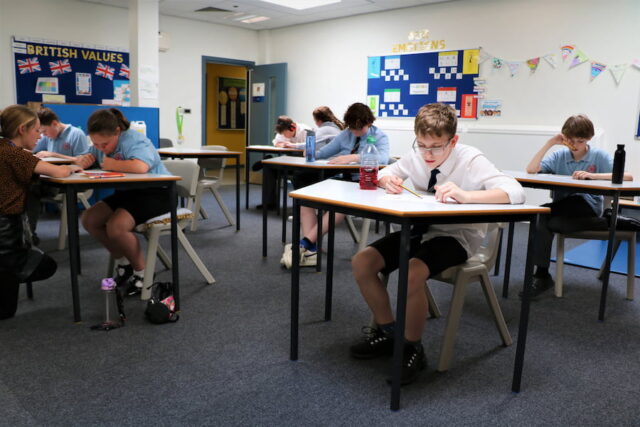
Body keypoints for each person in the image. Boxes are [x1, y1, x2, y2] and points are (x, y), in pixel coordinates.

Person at [349, 103, 525, 385]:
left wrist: (467, 196)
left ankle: (412, 348)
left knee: (412, 271)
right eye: (422, 145)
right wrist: (387, 180)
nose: (428, 154)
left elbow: (515, 192)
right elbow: (384, 172)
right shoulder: (417, 154)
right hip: (419, 231)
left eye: (436, 147)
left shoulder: (471, 159)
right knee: (363, 262)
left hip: (457, 237)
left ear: (453, 141)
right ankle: (388, 333)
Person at [523, 114, 633, 298]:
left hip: (586, 206)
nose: (575, 145)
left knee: (549, 210)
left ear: (589, 138)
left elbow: (627, 176)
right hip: (564, 210)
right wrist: (550, 143)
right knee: (548, 220)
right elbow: (531, 169)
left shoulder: (598, 156)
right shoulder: (560, 155)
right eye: (571, 140)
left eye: (580, 141)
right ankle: (542, 274)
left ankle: (541, 275)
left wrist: (593, 176)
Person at [75, 108, 172, 296]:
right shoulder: (101, 142)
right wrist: (82, 160)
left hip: (157, 193)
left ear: (117, 132)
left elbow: (141, 167)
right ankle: (124, 264)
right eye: (96, 144)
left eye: (105, 144)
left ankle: (142, 274)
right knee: (89, 219)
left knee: (116, 227)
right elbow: (86, 157)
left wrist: (112, 164)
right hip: (129, 194)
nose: (101, 148)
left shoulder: (134, 140)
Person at [281, 102, 389, 269]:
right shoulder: (346, 134)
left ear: (369, 122)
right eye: (352, 128)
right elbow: (326, 152)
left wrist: (354, 157)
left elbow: (383, 159)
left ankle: (306, 244)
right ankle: (311, 250)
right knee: (304, 198)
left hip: (363, 182)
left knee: (338, 205)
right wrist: (311, 153)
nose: (355, 132)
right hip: (341, 179)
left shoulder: (380, 136)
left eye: (359, 128)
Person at [0, 105, 82, 319]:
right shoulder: (17, 155)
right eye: (37, 130)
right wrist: (71, 167)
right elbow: (59, 172)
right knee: (46, 266)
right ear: (22, 129)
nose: (40, 136)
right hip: (6, 233)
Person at [26, 108, 89, 244]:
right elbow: (33, 151)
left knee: (32, 190)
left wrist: (54, 154)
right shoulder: (48, 136)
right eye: (40, 132)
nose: (43, 135)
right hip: (52, 178)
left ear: (55, 124)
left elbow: (84, 161)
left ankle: (29, 235)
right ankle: (26, 233)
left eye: (44, 131)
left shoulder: (76, 134)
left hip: (71, 180)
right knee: (26, 186)